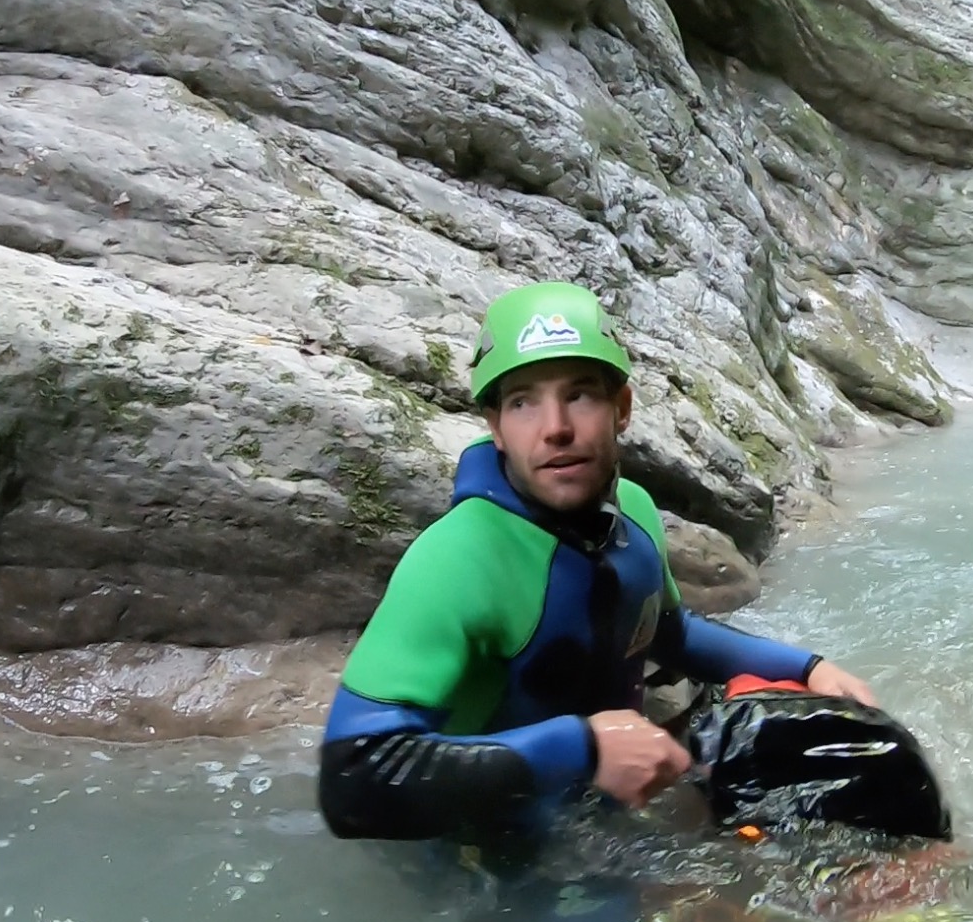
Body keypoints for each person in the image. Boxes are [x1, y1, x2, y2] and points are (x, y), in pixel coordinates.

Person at [318, 281, 875, 844]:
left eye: (580, 395)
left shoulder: (631, 511)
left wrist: (808, 669)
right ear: (496, 428)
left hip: (607, 813)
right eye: (523, 402)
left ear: (622, 409)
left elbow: (668, 634)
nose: (556, 427)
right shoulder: (455, 558)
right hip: (491, 852)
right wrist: (581, 748)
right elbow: (351, 779)